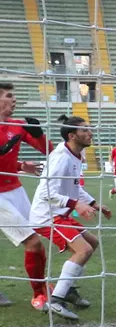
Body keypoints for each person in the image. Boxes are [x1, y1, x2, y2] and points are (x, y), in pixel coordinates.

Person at [30, 115, 111, 320]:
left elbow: (75, 187)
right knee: (82, 250)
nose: (90, 132)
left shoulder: (75, 155)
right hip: (46, 216)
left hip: (60, 214)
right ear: (72, 135)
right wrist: (76, 205)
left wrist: (94, 204)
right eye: (85, 130)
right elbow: (46, 193)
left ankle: (68, 290)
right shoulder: (61, 157)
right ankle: (55, 301)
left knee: (92, 244)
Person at [0, 82, 54, 310]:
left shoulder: (18, 125)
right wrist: (21, 164)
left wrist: (39, 135)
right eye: (9, 96)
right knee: (32, 242)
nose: (14, 100)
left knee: (38, 242)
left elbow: (49, 150)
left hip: (16, 190)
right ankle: (38, 295)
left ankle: (44, 287)